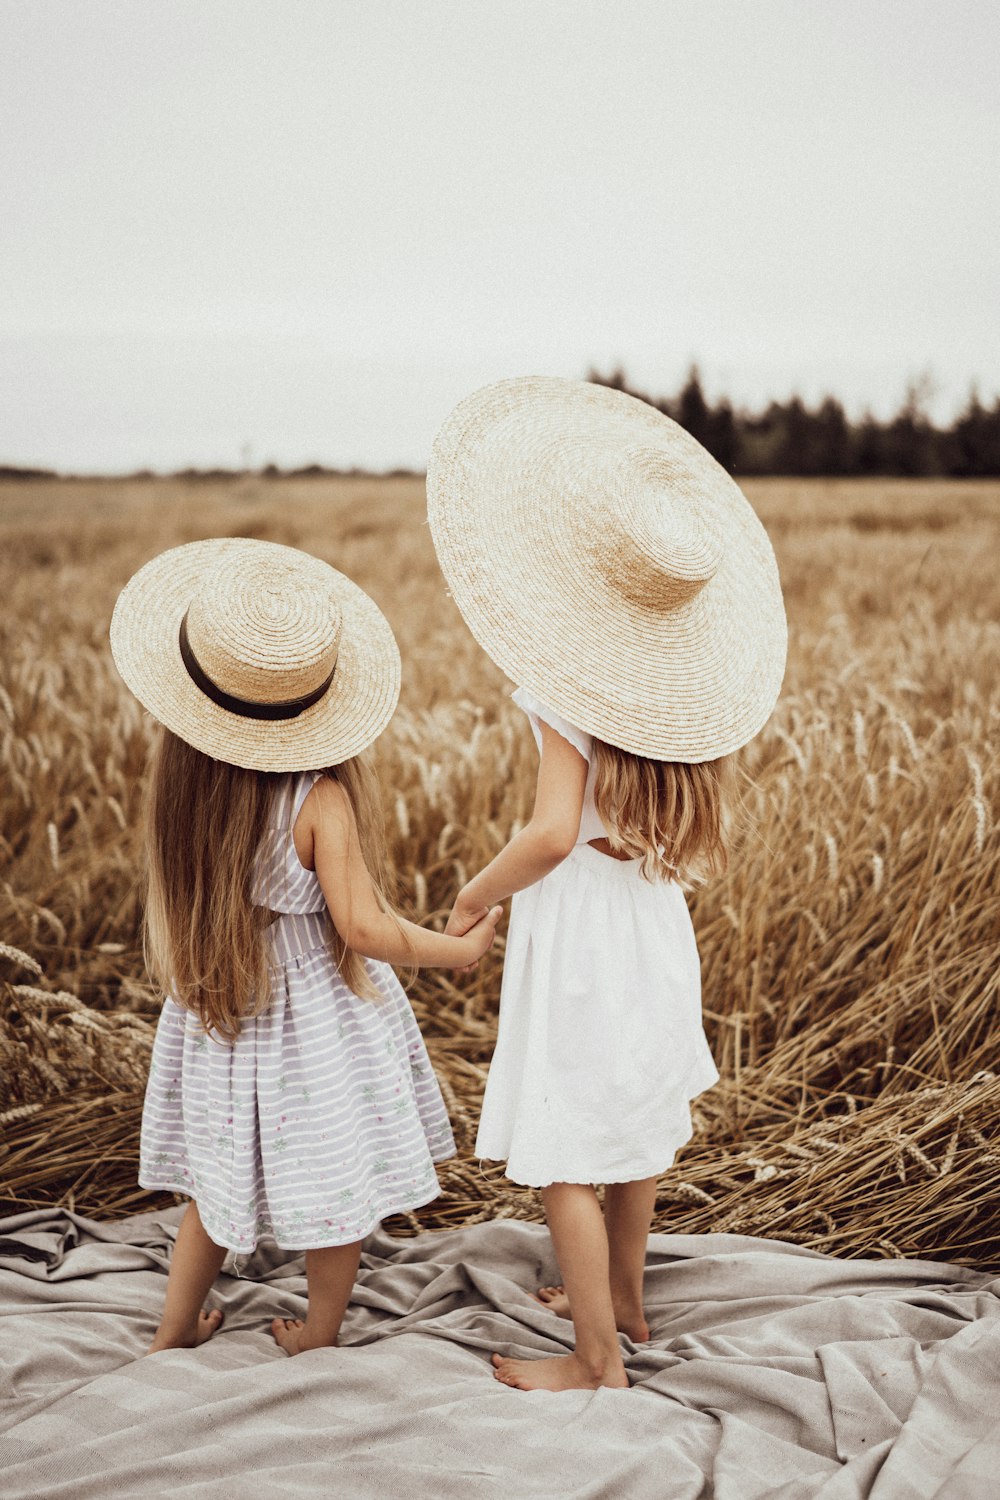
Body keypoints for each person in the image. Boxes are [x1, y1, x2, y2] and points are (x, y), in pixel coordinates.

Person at [426, 376, 787, 1392]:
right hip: (649, 921)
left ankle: (594, 1361)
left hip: (579, 928)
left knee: (567, 1148)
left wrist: (475, 892)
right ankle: (621, 1301)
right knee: (630, 1117)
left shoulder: (564, 688)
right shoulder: (683, 704)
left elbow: (549, 834)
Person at [109, 538, 501, 1356]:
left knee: (213, 1188)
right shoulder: (317, 797)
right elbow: (362, 929)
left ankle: (171, 1334)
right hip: (312, 1015)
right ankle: (319, 1332)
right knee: (336, 1175)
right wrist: (454, 952)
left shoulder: (186, 788)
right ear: (317, 705)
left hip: (220, 1002)